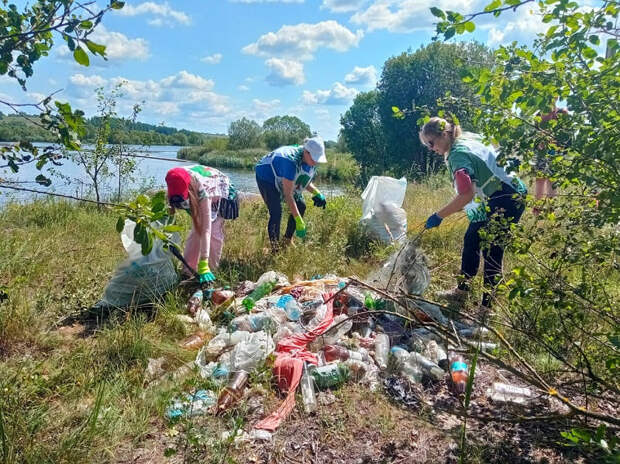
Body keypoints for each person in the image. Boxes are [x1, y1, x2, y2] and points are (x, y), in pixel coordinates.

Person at [419, 117, 527, 313]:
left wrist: (439, 215)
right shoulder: (463, 140)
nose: (430, 148)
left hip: (508, 197)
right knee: (472, 238)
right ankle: (462, 291)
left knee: (492, 250)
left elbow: (466, 194)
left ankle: (487, 307)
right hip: (500, 194)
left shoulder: (456, 155)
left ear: (444, 135)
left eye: (431, 143)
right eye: (427, 145)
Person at [165, 164, 237, 283]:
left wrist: (204, 262)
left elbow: (206, 230)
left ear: (188, 189)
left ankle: (211, 270)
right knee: (195, 233)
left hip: (220, 191)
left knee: (213, 233)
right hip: (197, 191)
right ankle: (188, 272)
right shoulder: (173, 179)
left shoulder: (203, 191)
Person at [255, 136, 328, 251]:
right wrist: (298, 220)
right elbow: (288, 194)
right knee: (276, 212)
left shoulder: (310, 161)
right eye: (314, 159)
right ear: (306, 152)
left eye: (317, 159)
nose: (315, 162)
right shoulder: (290, 161)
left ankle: (287, 240)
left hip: (282, 176)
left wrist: (317, 193)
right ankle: (275, 249)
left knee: (301, 206)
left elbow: (302, 180)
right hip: (266, 175)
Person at [534, 103, 568, 211]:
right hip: (542, 151)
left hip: (556, 151)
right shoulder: (540, 114)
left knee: (552, 180)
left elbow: (566, 132)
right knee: (540, 179)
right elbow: (538, 131)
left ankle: (550, 211)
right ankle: (537, 209)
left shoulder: (562, 113)